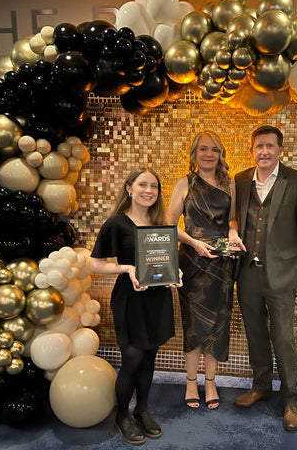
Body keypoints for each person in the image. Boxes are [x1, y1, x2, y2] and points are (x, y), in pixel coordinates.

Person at [233, 125, 297, 431]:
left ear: (281, 150)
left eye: (270, 146)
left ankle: (291, 399)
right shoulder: (241, 180)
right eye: (259, 146)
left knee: (282, 339)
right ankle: (261, 386)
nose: (265, 152)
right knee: (254, 334)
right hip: (247, 273)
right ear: (252, 150)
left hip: (282, 274)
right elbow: (234, 218)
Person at [91, 168, 180, 445]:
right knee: (132, 360)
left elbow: (165, 262)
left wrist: (174, 275)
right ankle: (122, 415)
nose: (149, 190)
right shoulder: (116, 224)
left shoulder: (160, 224)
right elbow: (94, 263)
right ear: (129, 188)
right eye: (143, 184)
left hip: (156, 300)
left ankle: (142, 410)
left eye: (154, 186)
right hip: (129, 300)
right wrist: (126, 268)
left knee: (149, 358)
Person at [167, 131, 245, 410]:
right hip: (192, 261)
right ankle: (190, 382)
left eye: (215, 149)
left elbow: (233, 220)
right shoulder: (184, 183)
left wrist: (234, 234)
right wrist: (194, 243)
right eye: (203, 149)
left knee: (218, 324)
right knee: (193, 325)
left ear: (221, 154)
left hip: (222, 262)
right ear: (194, 153)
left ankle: (210, 381)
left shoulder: (230, 184)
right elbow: (169, 226)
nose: (209, 154)